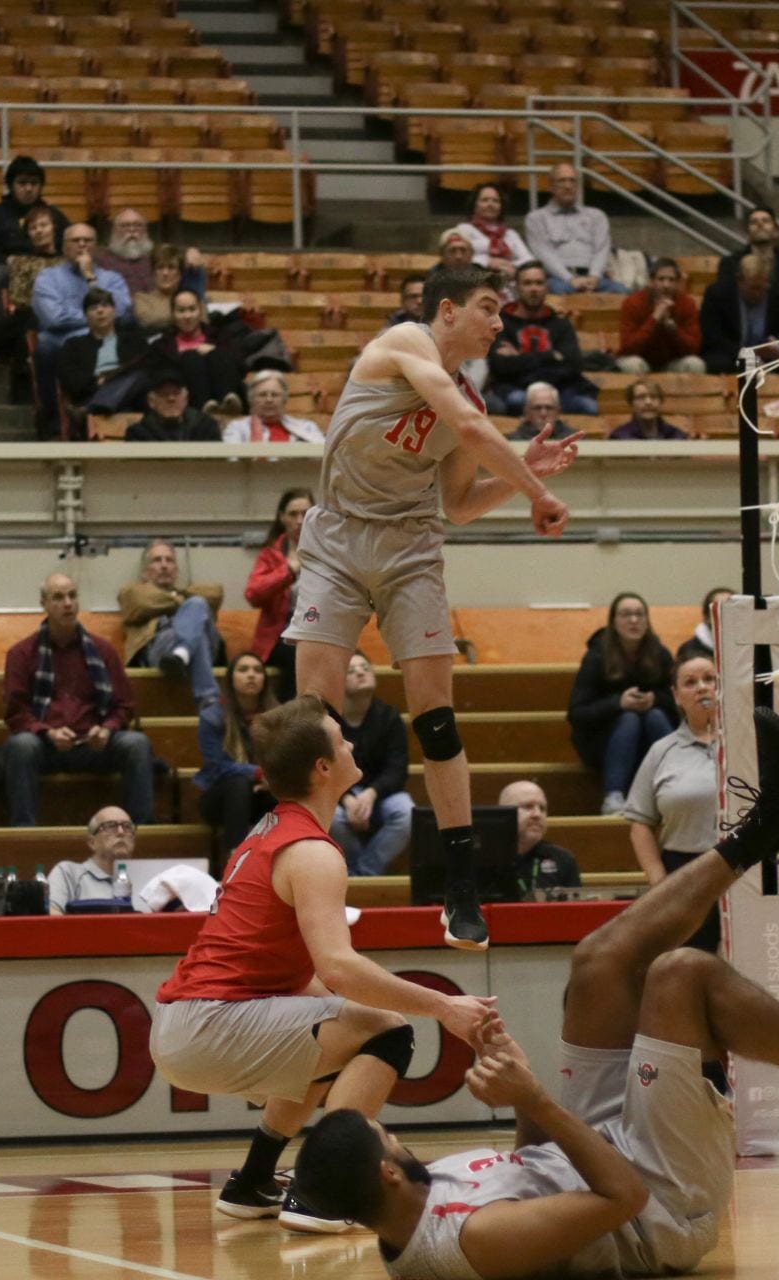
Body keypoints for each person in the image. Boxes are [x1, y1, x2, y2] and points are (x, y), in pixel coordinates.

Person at [292, 710, 779, 1277]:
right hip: (665, 1206)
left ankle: (774, 829)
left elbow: (531, 1166)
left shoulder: (412, 1202)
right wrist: (532, 1100)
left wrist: (521, 1083)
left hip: (599, 1150)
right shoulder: (471, 1241)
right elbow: (623, 1196)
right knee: (679, 973)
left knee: (599, 963)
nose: (396, 1135)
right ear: (384, 1173)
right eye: (387, 1136)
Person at [282, 262, 577, 950]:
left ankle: (462, 884)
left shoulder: (468, 402)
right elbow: (472, 432)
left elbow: (459, 506)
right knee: (313, 723)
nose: (499, 322)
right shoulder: (403, 346)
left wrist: (522, 478)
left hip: (411, 546)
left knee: (437, 719)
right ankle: (301, 876)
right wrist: (537, 490)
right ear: (447, 310)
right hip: (339, 540)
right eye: (487, 307)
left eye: (502, 311)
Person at [152, 693, 499, 1230]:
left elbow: (308, 974)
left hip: (188, 1021)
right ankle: (323, 1190)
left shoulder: (267, 830)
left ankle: (253, 1182)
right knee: (389, 1033)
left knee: (334, 1032)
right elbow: (340, 966)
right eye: (341, 741)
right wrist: (445, 1006)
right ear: (323, 768)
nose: (352, 743)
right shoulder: (313, 852)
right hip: (209, 1022)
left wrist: (342, 1002)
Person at [2, 573, 155, 828]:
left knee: (137, 744)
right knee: (21, 746)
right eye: (58, 597)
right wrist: (47, 733)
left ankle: (142, 833)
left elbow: (125, 705)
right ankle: (24, 833)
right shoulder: (21, 653)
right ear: (44, 604)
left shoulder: (103, 650)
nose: (68, 603)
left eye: (72, 596)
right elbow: (16, 712)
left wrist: (107, 729)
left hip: (94, 745)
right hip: (45, 747)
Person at [623, 653, 724, 952]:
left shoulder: (750, 744)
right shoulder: (661, 751)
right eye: (690, 683)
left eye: (710, 679)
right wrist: (661, 884)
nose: (702, 688)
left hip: (743, 869)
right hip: (684, 873)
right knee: (689, 967)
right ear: (676, 696)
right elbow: (639, 823)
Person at [568, 592, 677, 816]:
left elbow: (679, 703)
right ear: (613, 621)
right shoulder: (597, 656)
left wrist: (655, 700)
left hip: (649, 740)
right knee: (629, 719)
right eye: (626, 615)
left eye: (639, 614)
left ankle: (677, 786)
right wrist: (619, 704)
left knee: (655, 715)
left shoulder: (660, 653)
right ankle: (613, 796)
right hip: (603, 742)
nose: (634, 621)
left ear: (647, 620)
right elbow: (577, 713)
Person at [34, 223, 133, 429]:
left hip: (106, 338)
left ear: (96, 247)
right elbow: (53, 318)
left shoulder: (111, 278)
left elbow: (122, 312)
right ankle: (53, 419)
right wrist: (95, 318)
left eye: (87, 241)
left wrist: (91, 278)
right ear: (64, 247)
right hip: (64, 340)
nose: (82, 245)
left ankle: (98, 411)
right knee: (44, 343)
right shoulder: (48, 277)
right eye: (75, 241)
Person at [329, 653, 416, 876]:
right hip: (337, 794)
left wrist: (371, 794)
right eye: (351, 670)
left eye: (365, 667)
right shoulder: (329, 720)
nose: (360, 672)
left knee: (407, 812)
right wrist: (346, 798)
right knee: (330, 816)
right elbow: (323, 767)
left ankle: (365, 873)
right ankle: (357, 867)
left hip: (378, 794)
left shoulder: (389, 717)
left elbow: (397, 768)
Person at [196, 652, 281, 865]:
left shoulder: (279, 717)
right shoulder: (212, 716)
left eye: (257, 670)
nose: (251, 675)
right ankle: (236, 859)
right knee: (238, 784)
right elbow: (217, 767)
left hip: (266, 792)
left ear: (264, 679)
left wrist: (274, 781)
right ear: (230, 679)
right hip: (221, 798)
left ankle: (281, 863)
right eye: (243, 670)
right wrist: (260, 774)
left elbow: (288, 759)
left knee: (288, 794)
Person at [485, 261, 599, 416]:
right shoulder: (501, 323)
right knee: (516, 401)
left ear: (547, 287)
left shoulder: (560, 324)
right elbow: (501, 366)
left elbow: (574, 364)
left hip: (559, 389)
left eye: (539, 283)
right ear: (517, 287)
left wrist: (520, 359)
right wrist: (551, 355)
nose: (534, 289)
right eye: (527, 283)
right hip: (517, 389)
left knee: (589, 406)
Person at [120, 539, 224, 708]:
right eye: (157, 560)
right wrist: (179, 599)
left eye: (169, 560)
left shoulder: (193, 599)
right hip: (159, 649)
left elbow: (217, 594)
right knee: (196, 635)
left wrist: (179, 595)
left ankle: (181, 653)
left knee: (197, 605)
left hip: (195, 651)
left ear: (176, 571)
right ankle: (208, 699)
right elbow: (140, 602)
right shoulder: (132, 593)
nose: (164, 565)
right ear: (145, 572)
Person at [0, 155, 68, 322]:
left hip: (49, 269)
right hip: (7, 270)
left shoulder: (55, 215)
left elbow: (69, 245)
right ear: (10, 185)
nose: (29, 188)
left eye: (34, 183)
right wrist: (8, 260)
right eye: (22, 183)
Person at [246, 487, 314, 703]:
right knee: (297, 652)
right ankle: (292, 717)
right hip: (280, 634)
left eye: (306, 514)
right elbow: (253, 594)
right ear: (282, 518)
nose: (300, 520)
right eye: (293, 514)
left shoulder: (328, 552)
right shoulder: (270, 555)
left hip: (317, 628)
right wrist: (289, 570)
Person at [525, 164, 627, 295]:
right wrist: (570, 279)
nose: (568, 186)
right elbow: (543, 254)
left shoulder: (597, 216)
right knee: (558, 292)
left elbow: (602, 249)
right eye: (562, 181)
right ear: (550, 186)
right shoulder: (536, 218)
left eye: (572, 180)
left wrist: (594, 277)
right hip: (558, 279)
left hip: (594, 277)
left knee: (622, 292)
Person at [58, 287, 150, 421]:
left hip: (131, 397)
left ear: (114, 311)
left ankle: (91, 408)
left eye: (105, 305)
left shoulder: (133, 340)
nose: (100, 311)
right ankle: (98, 405)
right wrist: (96, 382)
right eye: (93, 308)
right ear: (86, 316)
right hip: (94, 391)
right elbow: (69, 377)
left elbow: (146, 364)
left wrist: (114, 377)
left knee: (141, 376)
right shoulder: (74, 345)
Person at [149, 289, 243, 414]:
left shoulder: (220, 335)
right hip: (186, 403)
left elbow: (241, 365)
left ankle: (227, 404)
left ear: (200, 311)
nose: (187, 316)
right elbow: (157, 376)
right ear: (173, 314)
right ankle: (205, 408)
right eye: (181, 311)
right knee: (191, 358)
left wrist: (215, 350)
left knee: (217, 353)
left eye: (192, 309)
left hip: (225, 391)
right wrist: (185, 356)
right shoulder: (162, 344)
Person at [0, 204, 64, 364]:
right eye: (33, 228)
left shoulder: (66, 262)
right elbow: (19, 298)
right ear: (28, 234)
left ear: (54, 228)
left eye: (43, 225)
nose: (38, 231)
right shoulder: (20, 262)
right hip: (30, 315)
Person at [700, 253, 779, 374]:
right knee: (717, 362)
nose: (759, 293)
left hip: (768, 358)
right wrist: (746, 356)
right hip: (731, 355)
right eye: (754, 288)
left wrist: (777, 346)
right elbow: (712, 337)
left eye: (763, 287)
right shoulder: (717, 294)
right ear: (739, 280)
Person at [715, 206, 779, 323]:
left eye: (766, 221)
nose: (760, 224)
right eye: (754, 222)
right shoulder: (730, 264)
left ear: (776, 231)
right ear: (747, 233)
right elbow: (722, 298)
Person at [616, 258, 706, 376]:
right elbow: (628, 348)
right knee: (634, 365)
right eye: (661, 279)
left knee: (696, 364)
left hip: (671, 363)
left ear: (678, 283)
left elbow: (694, 348)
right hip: (639, 360)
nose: (666, 285)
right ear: (651, 281)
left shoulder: (687, 303)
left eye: (671, 280)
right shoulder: (632, 302)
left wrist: (673, 329)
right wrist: (654, 319)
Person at [93, 208, 205, 301]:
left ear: (145, 231)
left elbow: (178, 257)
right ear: (114, 231)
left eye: (137, 225)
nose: (132, 230)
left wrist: (192, 252)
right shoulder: (102, 259)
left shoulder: (157, 254)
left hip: (159, 309)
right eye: (125, 226)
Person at [47, 806, 138, 912]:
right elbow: (51, 917)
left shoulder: (148, 877)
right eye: (110, 826)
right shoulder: (69, 873)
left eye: (127, 827)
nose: (121, 832)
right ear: (92, 842)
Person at [501, 779, 581, 892]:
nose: (537, 814)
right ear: (503, 812)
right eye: (527, 807)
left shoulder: (563, 859)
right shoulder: (482, 860)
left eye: (542, 808)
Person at [449, 184, 532, 287]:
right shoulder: (464, 229)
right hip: (473, 284)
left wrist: (510, 266)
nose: (490, 204)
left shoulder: (510, 234)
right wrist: (487, 262)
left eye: (495, 201)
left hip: (509, 285)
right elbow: (457, 259)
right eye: (485, 200)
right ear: (474, 205)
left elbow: (528, 260)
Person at [224, 369, 322, 446]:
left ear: (285, 399)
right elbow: (231, 461)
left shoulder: (307, 427)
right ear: (251, 399)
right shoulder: (236, 428)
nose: (269, 400)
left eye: (275, 395)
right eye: (262, 395)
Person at [125, 371, 222, 442]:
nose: (171, 398)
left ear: (186, 398)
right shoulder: (138, 433)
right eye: (163, 394)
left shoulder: (205, 427)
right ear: (151, 401)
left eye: (176, 393)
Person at [132, 243, 191, 335]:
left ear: (180, 274)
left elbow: (202, 321)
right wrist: (188, 315)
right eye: (160, 267)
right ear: (153, 273)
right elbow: (148, 321)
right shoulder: (141, 299)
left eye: (171, 267)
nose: (165, 273)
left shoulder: (191, 298)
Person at [609, 379, 691, 441]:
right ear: (631, 404)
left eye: (654, 397)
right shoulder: (619, 437)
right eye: (641, 397)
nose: (648, 402)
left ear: (661, 402)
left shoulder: (677, 436)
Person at [674, 586, 729, 665]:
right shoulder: (689, 650)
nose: (728, 615)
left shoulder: (749, 646)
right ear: (707, 617)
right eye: (722, 609)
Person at [509, 381, 577, 441]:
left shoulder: (573, 439)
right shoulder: (514, 440)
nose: (543, 414)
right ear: (526, 412)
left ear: (558, 412)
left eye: (549, 408)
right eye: (537, 408)